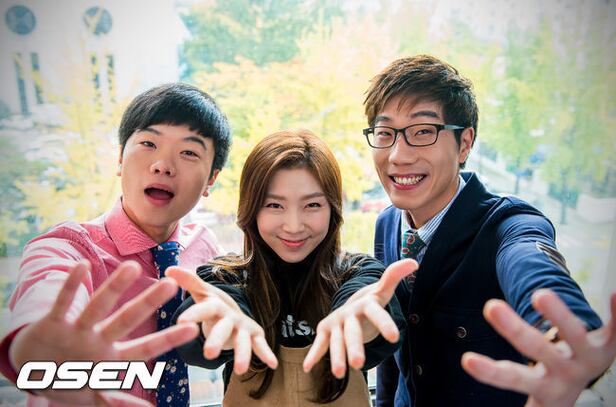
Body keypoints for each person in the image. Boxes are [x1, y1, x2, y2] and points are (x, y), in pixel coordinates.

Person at [360, 54, 615, 406]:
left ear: (464, 144)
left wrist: (565, 336)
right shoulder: (387, 222)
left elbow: (534, 267)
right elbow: (393, 340)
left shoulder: (508, 225)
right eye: (385, 133)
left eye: (423, 132)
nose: (398, 156)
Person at [0, 83, 232, 406]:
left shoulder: (204, 246)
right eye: (149, 143)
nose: (163, 165)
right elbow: (48, 294)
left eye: (189, 152)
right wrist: (43, 347)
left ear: (211, 180)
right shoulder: (67, 248)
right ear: (121, 158)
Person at [167, 129, 411, 406]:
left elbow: (369, 305)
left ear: (332, 209)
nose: (294, 226)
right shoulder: (226, 279)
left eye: (312, 204)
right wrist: (210, 329)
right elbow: (194, 339)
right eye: (274, 205)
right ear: (251, 210)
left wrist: (363, 324)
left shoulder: (358, 273)